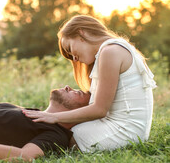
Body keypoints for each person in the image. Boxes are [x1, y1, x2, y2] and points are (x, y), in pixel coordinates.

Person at [23, 15, 156, 153]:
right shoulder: (113, 49)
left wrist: (54, 117)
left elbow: (99, 110)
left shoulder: (110, 52)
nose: (74, 58)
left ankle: (18, 148)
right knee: (62, 132)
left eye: (69, 48)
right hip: (129, 128)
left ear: (81, 33)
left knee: (64, 136)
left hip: (126, 131)